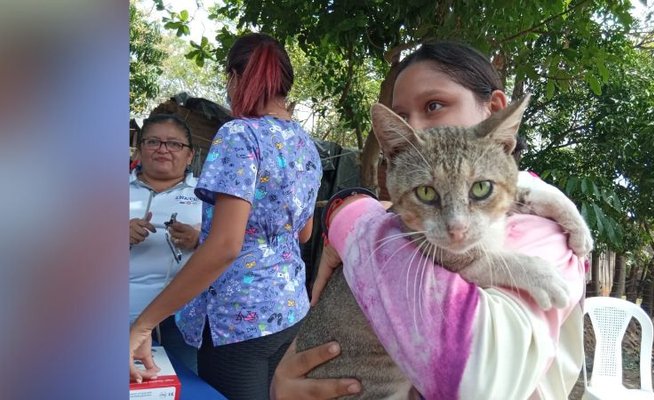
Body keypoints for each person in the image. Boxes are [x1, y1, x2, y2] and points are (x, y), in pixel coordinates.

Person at [271, 41, 589, 400]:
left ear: (495, 110)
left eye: (434, 105)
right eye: (402, 117)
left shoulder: (548, 236)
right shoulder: (413, 213)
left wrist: (350, 215)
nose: (417, 128)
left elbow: (478, 383)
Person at [129, 32, 323, 400]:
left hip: (237, 321)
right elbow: (303, 233)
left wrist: (143, 325)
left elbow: (225, 247)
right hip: (288, 309)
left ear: (235, 78)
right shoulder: (305, 145)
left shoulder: (239, 135)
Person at [129, 114, 202, 373]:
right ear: (140, 149)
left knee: (181, 386)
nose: (163, 149)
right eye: (153, 142)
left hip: (181, 319)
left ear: (190, 155)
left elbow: (227, 248)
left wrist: (198, 240)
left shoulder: (208, 197)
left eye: (174, 144)